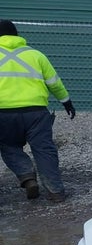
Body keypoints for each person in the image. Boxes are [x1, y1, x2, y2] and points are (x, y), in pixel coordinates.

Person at [0, 19, 75, 202]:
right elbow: (54, 83)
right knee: (44, 149)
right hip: (36, 113)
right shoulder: (36, 55)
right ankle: (56, 191)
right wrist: (66, 102)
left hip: (3, 113)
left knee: (8, 146)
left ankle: (26, 175)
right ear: (17, 35)